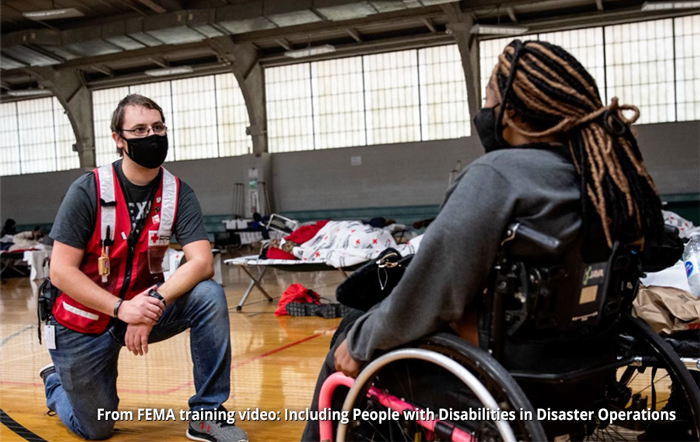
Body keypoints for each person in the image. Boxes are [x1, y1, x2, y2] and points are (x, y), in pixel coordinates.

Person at [301, 39, 666, 441]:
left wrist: (359, 343)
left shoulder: (498, 174)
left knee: (355, 329)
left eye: (489, 99)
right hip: (589, 374)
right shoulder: (611, 177)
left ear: (510, 109)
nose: (485, 111)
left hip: (502, 382)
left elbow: (431, 293)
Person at [40, 94, 247, 442]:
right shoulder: (88, 190)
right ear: (118, 139)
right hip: (84, 321)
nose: (152, 135)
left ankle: (207, 414)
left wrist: (152, 305)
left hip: (143, 308)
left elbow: (201, 262)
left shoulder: (178, 192)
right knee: (96, 429)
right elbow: (60, 272)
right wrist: (123, 309)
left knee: (208, 296)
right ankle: (56, 382)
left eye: (158, 127)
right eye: (139, 129)